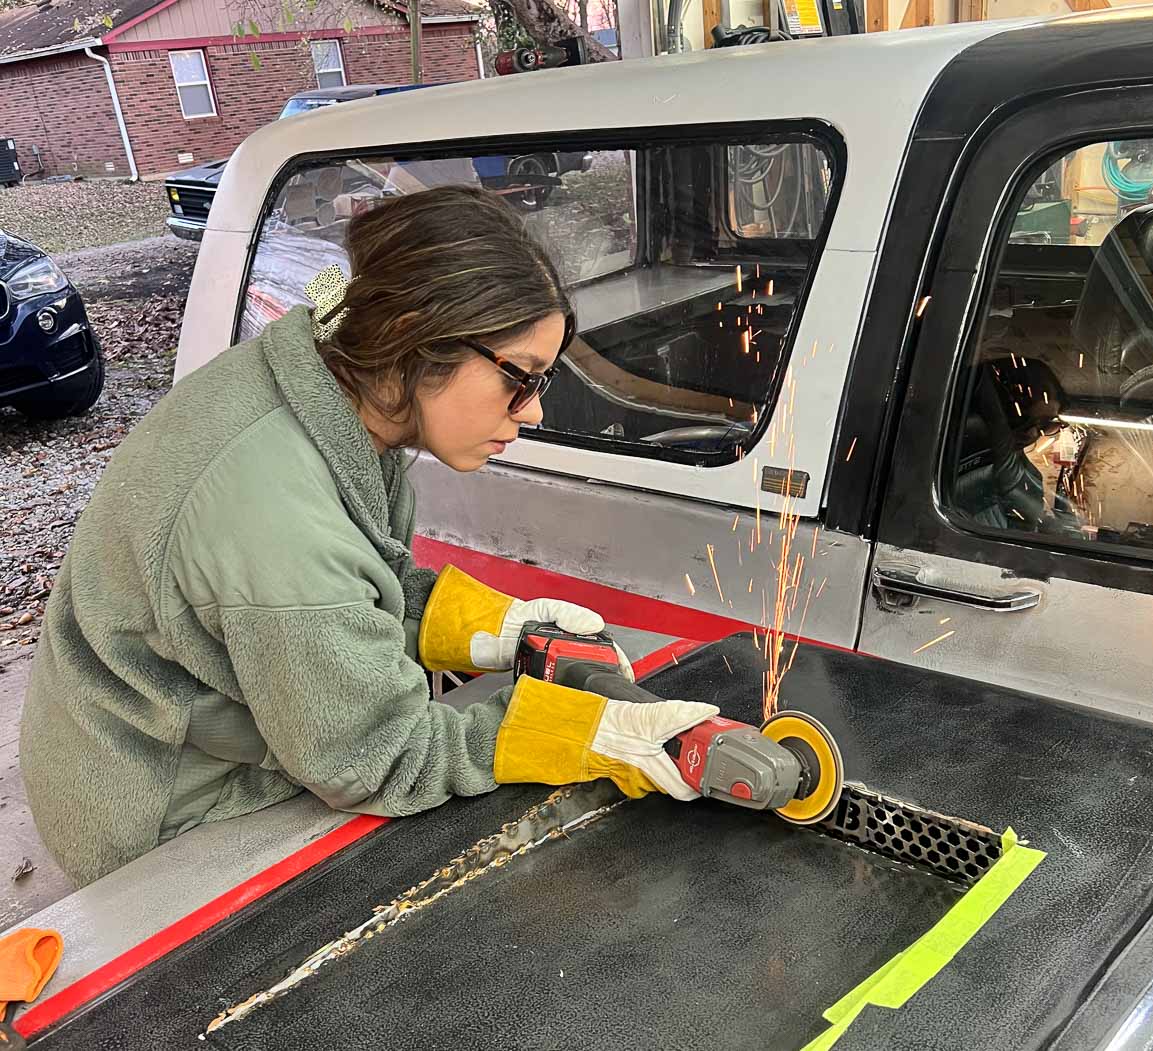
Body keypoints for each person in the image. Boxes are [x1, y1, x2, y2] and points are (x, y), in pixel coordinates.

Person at [19, 186, 719, 886]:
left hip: (147, 728)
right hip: (159, 803)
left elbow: (356, 585)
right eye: (520, 379)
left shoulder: (324, 382)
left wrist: (493, 626)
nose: (532, 412)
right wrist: (580, 735)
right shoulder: (277, 515)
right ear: (416, 332)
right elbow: (380, 757)